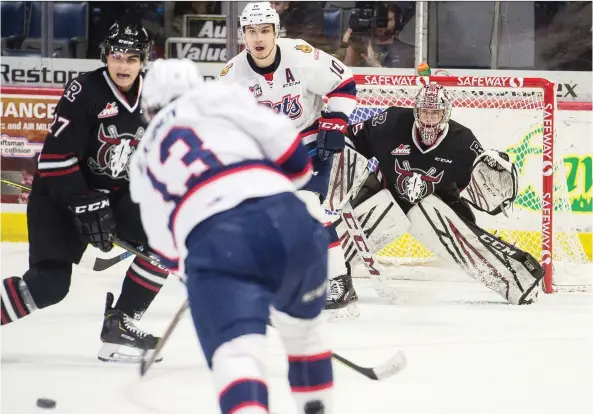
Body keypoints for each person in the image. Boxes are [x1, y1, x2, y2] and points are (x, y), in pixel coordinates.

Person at [130, 58, 333, 414]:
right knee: (305, 336)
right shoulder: (217, 96)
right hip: (290, 220)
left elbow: (165, 247)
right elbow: (294, 156)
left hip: (216, 243)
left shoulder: (142, 157)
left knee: (239, 356)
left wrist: (202, 277)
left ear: (148, 107)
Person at [0, 20, 171, 363]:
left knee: (165, 239)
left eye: (132, 58)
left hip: (112, 197)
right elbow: (53, 160)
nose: (123, 65)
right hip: (59, 198)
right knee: (49, 286)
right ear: (106, 56)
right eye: (117, 56)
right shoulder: (85, 90)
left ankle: (119, 325)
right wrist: (85, 205)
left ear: (143, 61)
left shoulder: (154, 97)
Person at [337, 83, 544, 305]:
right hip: (388, 196)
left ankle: (519, 280)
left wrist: (496, 180)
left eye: (435, 112)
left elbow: (480, 195)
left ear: (445, 113)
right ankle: (327, 276)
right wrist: (343, 169)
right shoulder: (391, 121)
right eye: (425, 111)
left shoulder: (463, 141)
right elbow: (349, 138)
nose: (429, 118)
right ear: (416, 110)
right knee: (347, 231)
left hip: (434, 204)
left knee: (463, 237)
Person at [218, 2, 359, 318]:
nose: (259, 38)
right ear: (243, 34)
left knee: (309, 206)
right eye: (252, 31)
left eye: (264, 31)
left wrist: (336, 119)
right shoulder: (230, 77)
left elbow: (344, 81)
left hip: (307, 142)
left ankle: (340, 283)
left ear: (275, 32)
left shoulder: (300, 54)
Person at [343, 3, 415, 68]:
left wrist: (376, 66)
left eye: (387, 20)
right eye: (378, 20)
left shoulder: (407, 51)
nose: (381, 24)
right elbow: (345, 72)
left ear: (397, 21)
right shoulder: (360, 45)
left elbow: (401, 79)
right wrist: (349, 45)